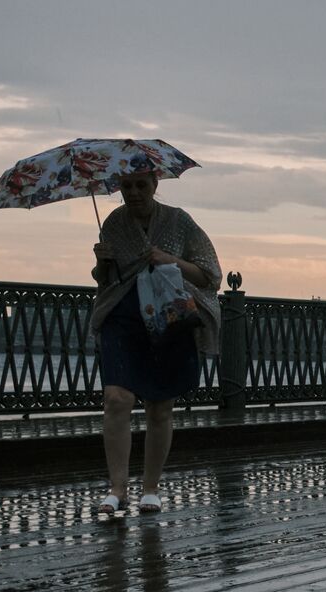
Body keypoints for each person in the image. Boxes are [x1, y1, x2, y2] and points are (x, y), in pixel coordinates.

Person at [91, 170, 221, 516]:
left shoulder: (179, 221)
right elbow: (107, 282)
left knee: (160, 406)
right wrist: (101, 263)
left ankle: (151, 488)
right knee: (117, 398)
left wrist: (171, 260)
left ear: (155, 186)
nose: (133, 193)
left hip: (167, 318)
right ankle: (117, 488)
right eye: (126, 186)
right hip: (124, 316)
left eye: (140, 185)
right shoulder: (114, 224)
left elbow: (211, 275)